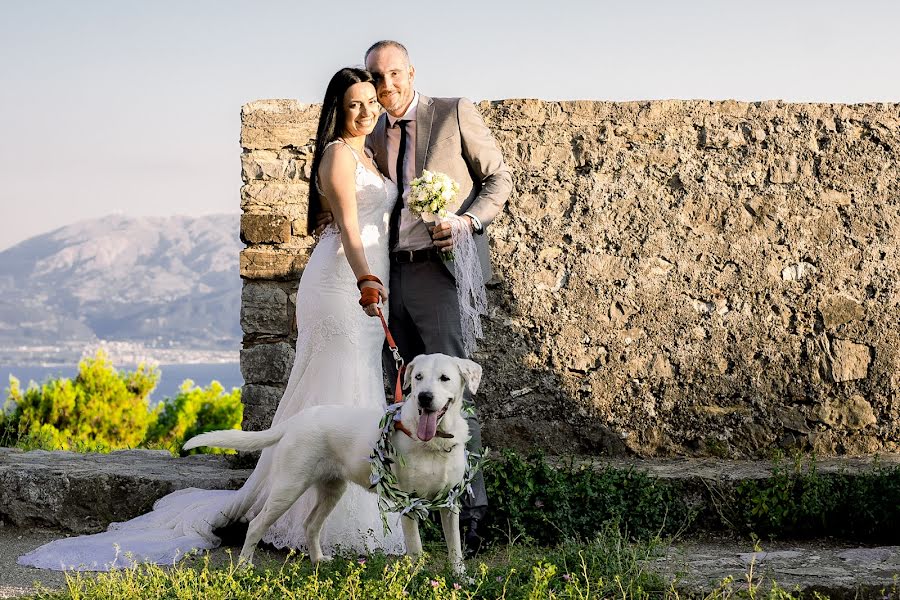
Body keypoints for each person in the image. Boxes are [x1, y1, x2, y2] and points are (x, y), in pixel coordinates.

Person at [18, 67, 406, 571]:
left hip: (367, 280)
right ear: (338, 108)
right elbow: (351, 231)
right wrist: (366, 281)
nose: (365, 112)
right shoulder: (337, 154)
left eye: (371, 102)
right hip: (343, 284)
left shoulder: (369, 154)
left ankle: (347, 507)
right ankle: (327, 519)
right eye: (354, 104)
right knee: (338, 388)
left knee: (354, 390)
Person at [365, 40, 513, 556]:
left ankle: (471, 515)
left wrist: (466, 221)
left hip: (441, 275)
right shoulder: (371, 131)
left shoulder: (452, 113)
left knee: (452, 391)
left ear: (410, 71)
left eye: (394, 74)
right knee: (400, 392)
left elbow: (500, 179)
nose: (387, 86)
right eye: (376, 77)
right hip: (390, 277)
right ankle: (406, 516)